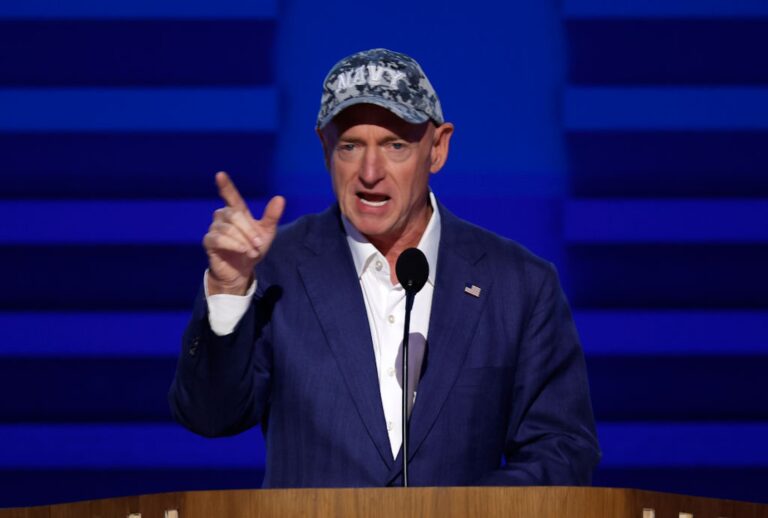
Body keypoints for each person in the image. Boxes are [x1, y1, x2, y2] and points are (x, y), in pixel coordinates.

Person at [169, 48, 600, 487]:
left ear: (438, 147)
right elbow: (211, 416)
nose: (369, 172)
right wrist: (228, 290)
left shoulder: (519, 285)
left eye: (396, 145)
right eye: (351, 146)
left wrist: (459, 514)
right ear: (325, 149)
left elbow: (562, 449)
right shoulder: (276, 270)